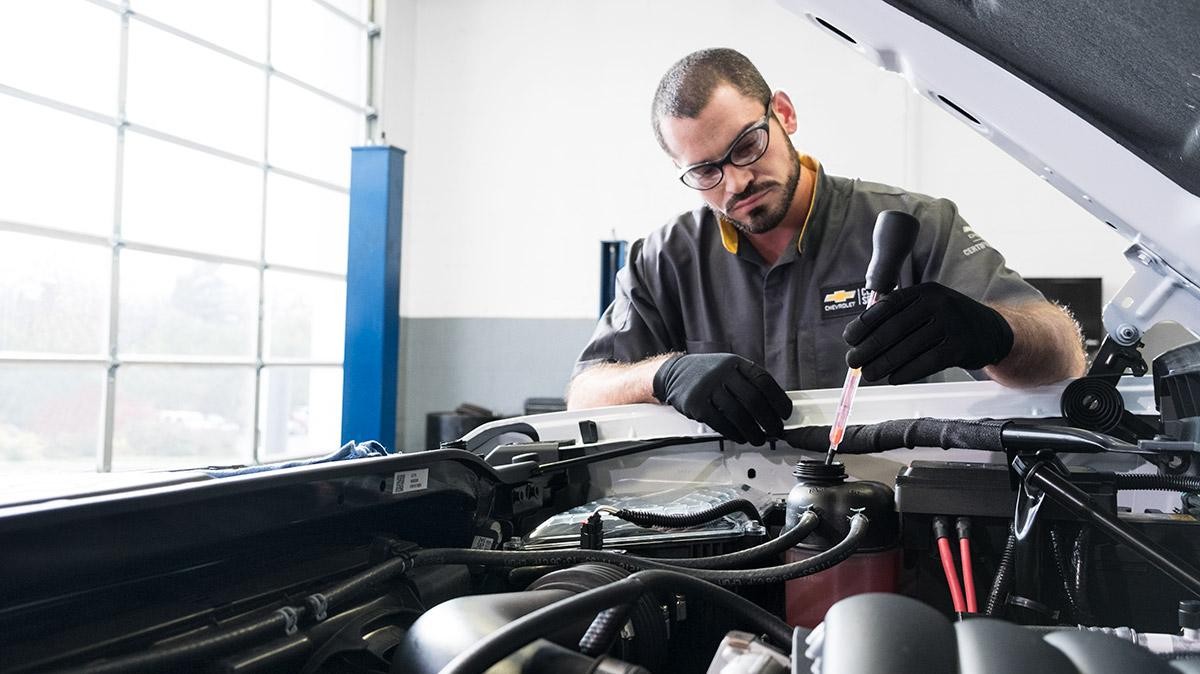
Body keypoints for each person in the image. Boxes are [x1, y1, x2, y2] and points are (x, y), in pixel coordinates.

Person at [566, 48, 1085, 445]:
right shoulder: (661, 261)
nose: (736, 182)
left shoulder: (921, 224)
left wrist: (995, 333)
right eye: (705, 171)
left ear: (784, 114)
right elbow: (583, 396)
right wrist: (663, 374)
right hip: (742, 533)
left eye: (747, 146)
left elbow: (1064, 356)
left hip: (913, 522)